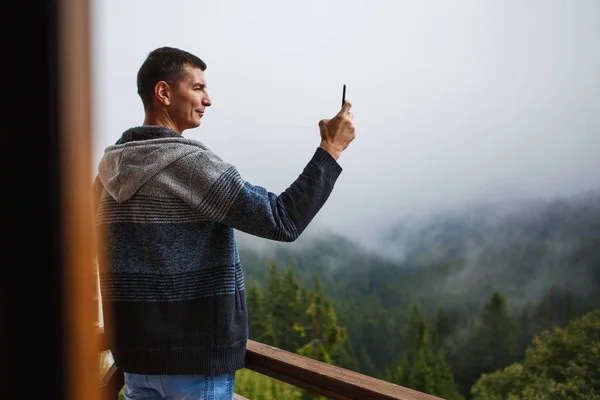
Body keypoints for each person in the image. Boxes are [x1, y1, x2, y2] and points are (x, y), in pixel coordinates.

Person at [93, 46, 355, 400]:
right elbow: (283, 220)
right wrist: (331, 150)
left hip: (135, 362)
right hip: (195, 365)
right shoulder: (188, 164)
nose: (208, 99)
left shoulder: (108, 170)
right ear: (164, 92)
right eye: (198, 88)